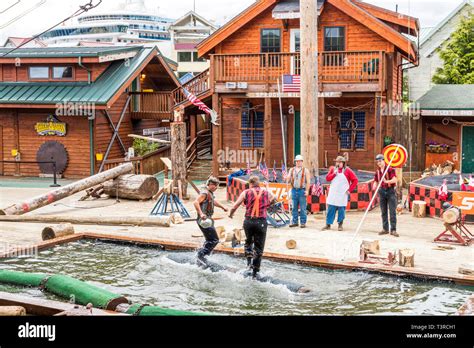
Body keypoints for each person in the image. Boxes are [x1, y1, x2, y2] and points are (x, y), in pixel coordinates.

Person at [229, 176, 276, 278]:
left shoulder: (246, 192)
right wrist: (267, 188)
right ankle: (255, 272)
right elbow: (273, 198)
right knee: (259, 247)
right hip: (261, 222)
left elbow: (235, 206)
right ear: (258, 183)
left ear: (250, 184)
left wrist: (230, 214)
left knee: (249, 242)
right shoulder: (265, 192)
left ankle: (249, 265)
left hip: (249, 221)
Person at [193, 177, 228, 266]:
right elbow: (195, 202)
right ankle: (201, 255)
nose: (215, 187)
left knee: (210, 239)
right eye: (213, 185)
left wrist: (222, 207)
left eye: (216, 186)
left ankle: (201, 255)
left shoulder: (210, 193)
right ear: (209, 184)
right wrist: (201, 214)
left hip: (208, 219)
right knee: (214, 240)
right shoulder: (205, 193)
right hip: (204, 220)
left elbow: (213, 201)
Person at [322, 156, 358, 231]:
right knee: (331, 209)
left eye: (340, 162)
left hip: (342, 193)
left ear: (343, 163)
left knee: (341, 210)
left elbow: (355, 180)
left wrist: (349, 190)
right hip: (333, 192)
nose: (338, 164)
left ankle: (340, 224)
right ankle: (328, 224)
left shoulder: (347, 170)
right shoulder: (333, 169)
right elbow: (327, 178)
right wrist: (334, 174)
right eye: (337, 162)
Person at [374, 154, 399, 237]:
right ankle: (385, 229)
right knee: (383, 212)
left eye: (380, 161)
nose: (379, 163)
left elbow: (395, 179)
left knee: (392, 211)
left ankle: (393, 230)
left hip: (390, 191)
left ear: (384, 161)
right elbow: (376, 181)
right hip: (382, 191)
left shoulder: (390, 169)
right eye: (377, 162)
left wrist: (387, 181)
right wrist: (375, 186)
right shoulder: (377, 171)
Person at [286, 155, 311, 228]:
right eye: (297, 161)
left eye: (299, 161)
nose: (298, 162)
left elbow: (308, 181)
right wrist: (286, 178)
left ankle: (303, 222)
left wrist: (307, 190)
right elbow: (288, 179)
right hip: (294, 190)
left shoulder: (305, 170)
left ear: (302, 162)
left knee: (303, 207)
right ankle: (295, 221)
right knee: (294, 207)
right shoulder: (291, 170)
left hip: (301, 190)